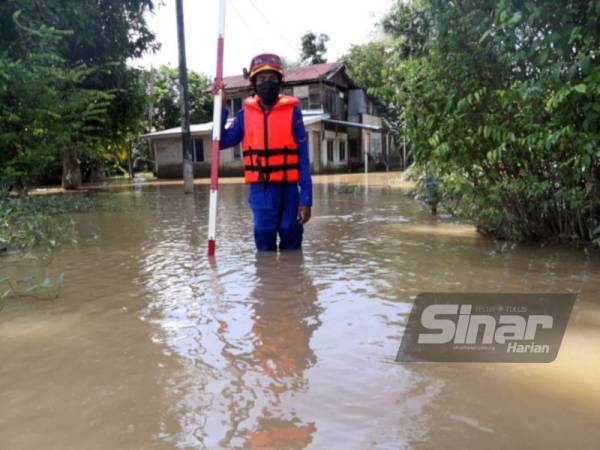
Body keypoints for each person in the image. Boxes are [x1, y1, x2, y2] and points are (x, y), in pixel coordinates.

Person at [214, 53, 312, 251]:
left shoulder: (293, 113)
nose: (267, 83)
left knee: (291, 239)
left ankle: (291, 280)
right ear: (254, 83)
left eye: (272, 78)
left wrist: (306, 199)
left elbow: (303, 158)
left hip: (289, 189)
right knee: (264, 242)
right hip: (261, 189)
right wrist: (221, 107)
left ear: (279, 81)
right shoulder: (245, 116)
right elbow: (219, 141)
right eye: (262, 79)